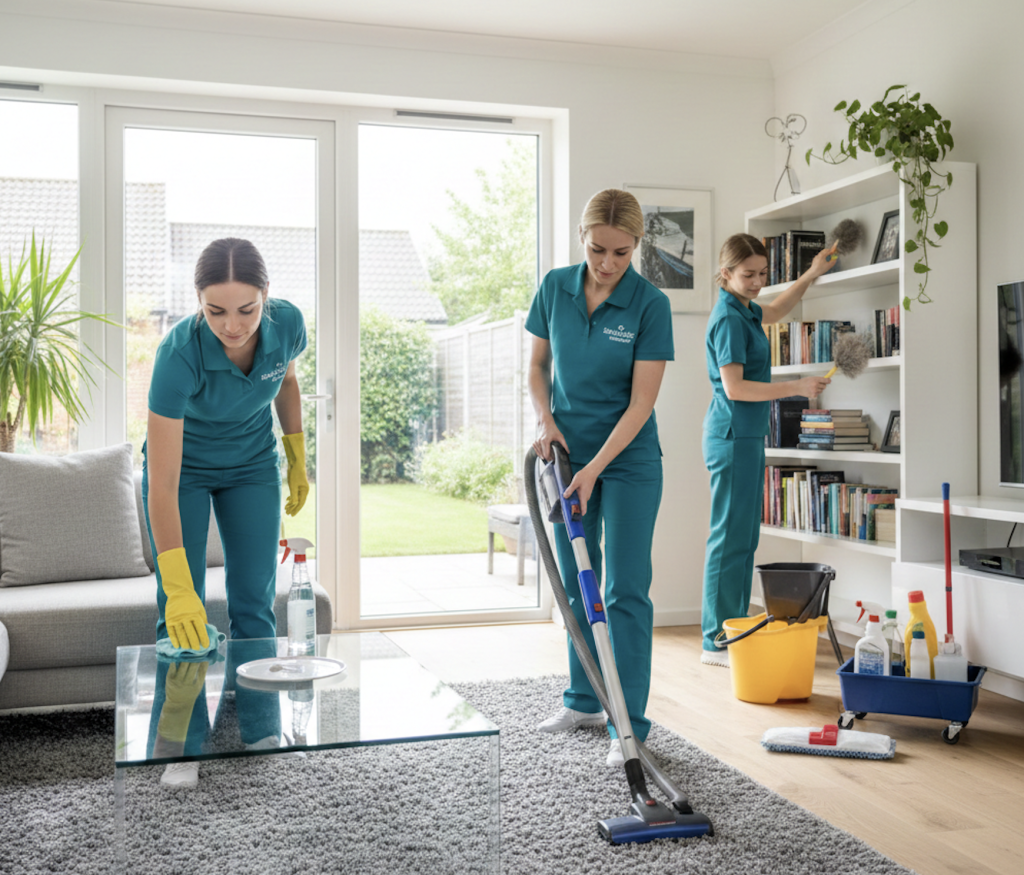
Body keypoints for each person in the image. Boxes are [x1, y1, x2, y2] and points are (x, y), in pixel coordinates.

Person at [143, 237, 310, 785]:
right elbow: (162, 486)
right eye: (215, 311)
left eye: (246, 310)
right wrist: (177, 580)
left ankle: (261, 726)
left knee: (254, 601)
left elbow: (285, 380)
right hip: (183, 473)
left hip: (251, 467)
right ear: (198, 300)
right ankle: (179, 746)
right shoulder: (178, 356)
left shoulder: (287, 324)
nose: (232, 326)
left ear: (267, 296)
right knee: (182, 611)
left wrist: (296, 456)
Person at [526, 189, 673, 768]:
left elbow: (640, 406)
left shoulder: (649, 304)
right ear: (582, 238)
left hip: (629, 460)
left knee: (623, 590)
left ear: (637, 245)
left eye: (621, 252)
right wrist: (547, 423)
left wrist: (593, 469)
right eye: (597, 250)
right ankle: (584, 698)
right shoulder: (555, 287)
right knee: (575, 579)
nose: (608, 263)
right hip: (566, 455)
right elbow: (538, 366)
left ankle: (628, 725)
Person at [700, 233, 836, 667]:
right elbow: (735, 387)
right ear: (726, 274)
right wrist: (796, 387)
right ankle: (716, 639)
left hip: (746, 435)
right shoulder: (727, 319)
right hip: (732, 435)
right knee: (728, 538)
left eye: (762, 274)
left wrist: (811, 274)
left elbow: (776, 309)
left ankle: (732, 627)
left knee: (743, 539)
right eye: (748, 275)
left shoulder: (744, 309)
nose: (758, 282)